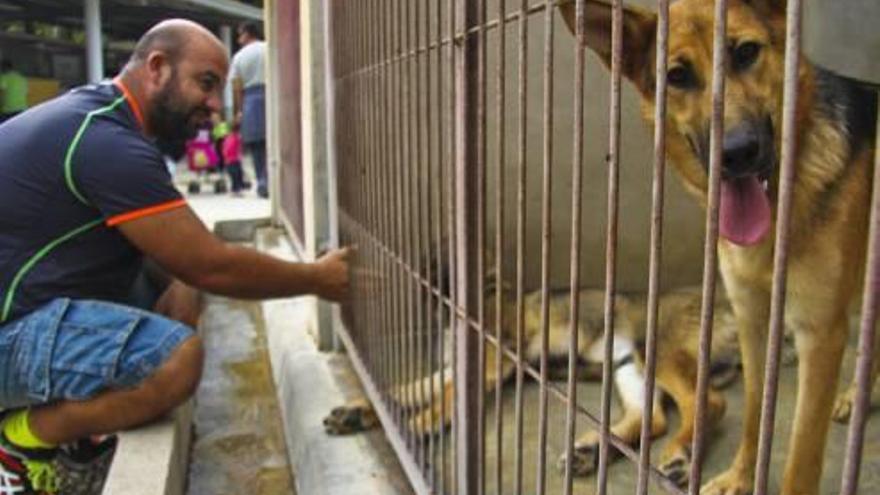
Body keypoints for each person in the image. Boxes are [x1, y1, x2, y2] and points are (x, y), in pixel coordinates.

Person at [0, 19, 350, 494]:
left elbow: (185, 254)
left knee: (169, 285)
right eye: (205, 83)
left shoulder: (105, 121)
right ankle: (23, 438)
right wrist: (317, 277)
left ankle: (74, 424)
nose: (214, 104)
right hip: (11, 334)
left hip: (25, 313)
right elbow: (212, 264)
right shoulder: (107, 141)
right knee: (173, 361)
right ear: (158, 69)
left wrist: (186, 280)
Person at [229, 21, 268, 198]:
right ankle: (273, 180)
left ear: (248, 33)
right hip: (272, 95)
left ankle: (262, 180)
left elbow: (237, 87)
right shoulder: (269, 48)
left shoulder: (239, 57)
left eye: (240, 34)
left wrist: (239, 110)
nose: (238, 39)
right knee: (273, 142)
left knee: (256, 145)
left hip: (250, 99)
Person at [0, 59, 28, 124]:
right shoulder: (22, 78)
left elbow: (1, 93)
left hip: (8, 110)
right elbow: (25, 92)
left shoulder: (4, 77)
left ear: (4, 68)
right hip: (22, 108)